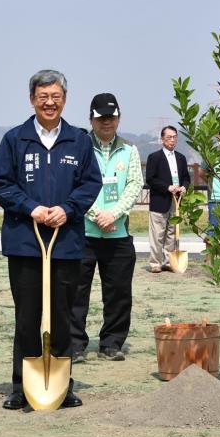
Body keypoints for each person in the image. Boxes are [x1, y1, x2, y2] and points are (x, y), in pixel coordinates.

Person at [0, 69, 102, 410]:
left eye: (56, 97)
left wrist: (68, 209)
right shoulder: (15, 139)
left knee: (63, 314)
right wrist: (32, 208)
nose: (49, 103)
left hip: (66, 242)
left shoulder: (79, 141)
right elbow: (1, 183)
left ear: (64, 100)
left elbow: (90, 184)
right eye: (43, 97)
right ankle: (20, 386)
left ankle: (62, 386)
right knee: (27, 315)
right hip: (25, 242)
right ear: (32, 100)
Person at [71, 93, 143, 362]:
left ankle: (111, 343)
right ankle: (75, 344)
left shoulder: (130, 150)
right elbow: (74, 185)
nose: (106, 122)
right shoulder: (80, 147)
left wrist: (113, 214)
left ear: (119, 118)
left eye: (111, 117)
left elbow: (134, 185)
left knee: (119, 293)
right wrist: (94, 214)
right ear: (91, 119)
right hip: (83, 233)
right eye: (101, 118)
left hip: (117, 233)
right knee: (76, 292)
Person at [145, 125, 190, 273]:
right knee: (158, 234)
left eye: (174, 137)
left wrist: (184, 187)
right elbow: (150, 179)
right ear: (162, 139)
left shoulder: (181, 158)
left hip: (176, 200)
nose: (172, 140)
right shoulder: (154, 157)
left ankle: (168, 261)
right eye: (169, 137)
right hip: (160, 200)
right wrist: (167, 187)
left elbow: (186, 178)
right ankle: (155, 263)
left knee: (171, 232)